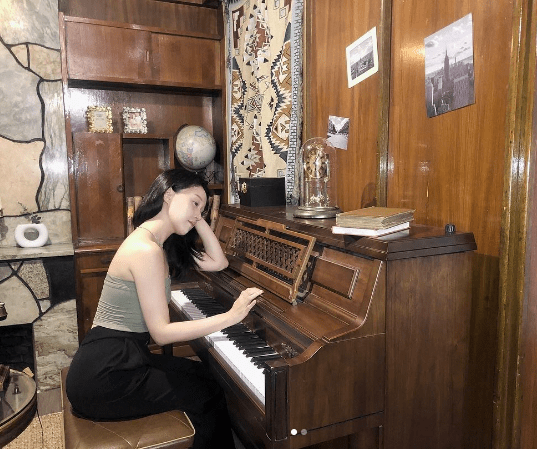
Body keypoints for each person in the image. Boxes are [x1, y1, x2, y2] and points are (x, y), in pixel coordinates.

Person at [66, 168, 263, 449]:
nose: (197, 214)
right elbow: (161, 333)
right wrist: (231, 316)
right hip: (105, 376)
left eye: (202, 209)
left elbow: (219, 263)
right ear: (169, 194)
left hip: (124, 356)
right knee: (207, 393)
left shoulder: (159, 244)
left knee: (202, 374)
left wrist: (197, 217)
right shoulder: (145, 251)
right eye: (194, 202)